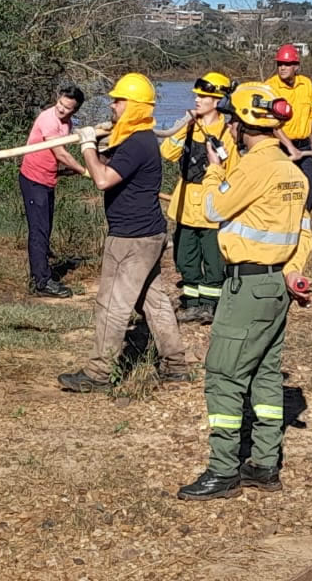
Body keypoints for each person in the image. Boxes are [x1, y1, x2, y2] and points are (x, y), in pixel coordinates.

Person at [178, 82, 312, 500]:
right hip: (276, 287)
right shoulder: (292, 171)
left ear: (238, 125)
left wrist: (217, 168)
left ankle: (223, 470)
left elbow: (212, 208)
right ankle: (264, 464)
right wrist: (292, 273)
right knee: (266, 375)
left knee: (223, 374)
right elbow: (303, 233)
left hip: (247, 287)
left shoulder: (254, 168)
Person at [58, 73, 188, 391]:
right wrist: (100, 146)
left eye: (119, 101)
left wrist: (87, 145)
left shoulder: (136, 143)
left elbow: (102, 179)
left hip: (131, 239)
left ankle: (99, 374)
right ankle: (175, 365)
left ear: (135, 106)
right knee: (154, 302)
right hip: (148, 234)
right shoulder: (135, 139)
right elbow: (108, 166)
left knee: (111, 304)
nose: (113, 106)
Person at [160, 72, 238, 325]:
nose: (197, 100)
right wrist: (184, 127)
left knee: (214, 260)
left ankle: (211, 305)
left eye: (203, 96)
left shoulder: (228, 132)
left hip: (211, 207)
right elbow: (168, 153)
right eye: (197, 95)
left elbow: (233, 170)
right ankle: (192, 303)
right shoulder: (188, 126)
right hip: (184, 205)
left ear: (216, 101)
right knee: (185, 257)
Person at [19, 85, 88, 298]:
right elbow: (60, 153)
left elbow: (62, 151)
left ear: (74, 110)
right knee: (39, 230)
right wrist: (84, 170)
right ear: (57, 99)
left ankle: (42, 269)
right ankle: (41, 282)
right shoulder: (48, 119)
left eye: (67, 108)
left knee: (45, 227)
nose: (61, 109)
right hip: (33, 180)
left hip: (48, 180)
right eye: (60, 104)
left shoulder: (67, 123)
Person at [267, 44, 312, 211]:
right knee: (283, 192)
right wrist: (290, 147)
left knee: (308, 191)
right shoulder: (270, 87)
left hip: (305, 147)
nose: (282, 67)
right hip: (281, 148)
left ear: (296, 66)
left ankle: (304, 229)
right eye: (279, 64)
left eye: (287, 64)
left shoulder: (306, 85)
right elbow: (272, 123)